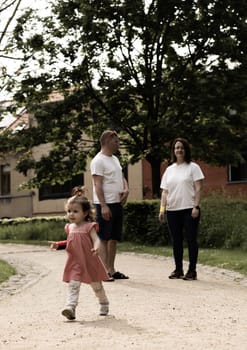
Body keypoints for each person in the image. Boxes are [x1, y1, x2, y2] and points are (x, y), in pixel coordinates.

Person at [49, 193, 110, 320]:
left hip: (89, 261)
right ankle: (70, 307)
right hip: (75, 262)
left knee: (96, 285)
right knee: (73, 284)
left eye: (75, 211)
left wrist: (97, 246)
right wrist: (58, 244)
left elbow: (96, 239)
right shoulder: (69, 227)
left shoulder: (89, 226)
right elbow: (71, 242)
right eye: (69, 211)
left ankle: (103, 303)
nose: (71, 214)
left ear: (85, 213)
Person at [159, 137, 205, 281]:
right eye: (176, 148)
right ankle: (178, 269)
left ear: (186, 150)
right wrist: (162, 209)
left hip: (189, 209)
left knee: (191, 240)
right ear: (173, 151)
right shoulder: (169, 170)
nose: (179, 150)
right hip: (172, 210)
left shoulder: (193, 167)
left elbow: (198, 188)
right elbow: (165, 192)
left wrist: (196, 206)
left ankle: (192, 271)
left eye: (182, 148)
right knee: (176, 241)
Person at [90, 130, 129, 281]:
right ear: (107, 141)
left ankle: (112, 270)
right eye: (116, 141)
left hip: (117, 203)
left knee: (114, 238)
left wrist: (126, 189)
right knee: (104, 238)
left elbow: (121, 176)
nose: (118, 143)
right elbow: (97, 185)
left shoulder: (115, 159)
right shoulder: (98, 161)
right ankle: (103, 271)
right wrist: (104, 206)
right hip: (105, 204)